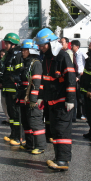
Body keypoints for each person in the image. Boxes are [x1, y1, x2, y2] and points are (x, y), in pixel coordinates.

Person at [35, 28, 76, 171]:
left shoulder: (63, 56)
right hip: (51, 101)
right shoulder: (47, 57)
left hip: (63, 101)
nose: (40, 47)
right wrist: (41, 97)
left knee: (62, 131)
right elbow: (44, 80)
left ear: (50, 43)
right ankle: (58, 158)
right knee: (55, 130)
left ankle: (63, 160)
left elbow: (71, 79)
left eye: (42, 45)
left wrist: (70, 99)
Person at [17, 39, 46, 154]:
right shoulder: (27, 63)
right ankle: (29, 144)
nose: (22, 52)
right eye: (22, 50)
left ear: (31, 51)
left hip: (32, 99)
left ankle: (40, 146)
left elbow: (37, 83)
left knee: (35, 122)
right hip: (25, 97)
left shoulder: (36, 63)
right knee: (26, 122)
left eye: (25, 50)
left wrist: (33, 100)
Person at [0, 33, 23, 145]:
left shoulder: (18, 56)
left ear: (13, 44)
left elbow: (19, 73)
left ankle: (19, 137)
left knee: (16, 114)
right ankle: (13, 134)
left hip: (14, 90)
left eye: (7, 43)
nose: (5, 45)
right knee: (11, 115)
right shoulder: (8, 54)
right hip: (7, 89)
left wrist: (12, 77)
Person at [71, 40, 86, 120]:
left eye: (72, 45)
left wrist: (81, 74)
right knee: (75, 96)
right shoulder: (72, 54)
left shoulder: (82, 53)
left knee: (81, 97)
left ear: (77, 46)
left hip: (81, 76)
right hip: (75, 75)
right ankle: (77, 114)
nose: (71, 47)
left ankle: (83, 114)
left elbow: (86, 63)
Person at [0, 49, 9, 125]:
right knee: (3, 102)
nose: (2, 56)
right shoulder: (0, 63)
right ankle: (7, 118)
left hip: (8, 85)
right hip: (2, 86)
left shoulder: (8, 62)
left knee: (8, 103)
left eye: (4, 54)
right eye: (1, 55)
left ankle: (10, 118)